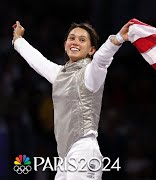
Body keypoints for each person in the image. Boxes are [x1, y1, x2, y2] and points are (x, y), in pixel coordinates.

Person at [12, 20, 133, 180]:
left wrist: (117, 39)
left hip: (84, 150)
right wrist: (18, 40)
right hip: (65, 156)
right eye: (72, 38)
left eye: (82, 40)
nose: (75, 42)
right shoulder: (60, 74)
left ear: (91, 50)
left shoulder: (92, 73)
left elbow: (102, 60)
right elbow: (38, 61)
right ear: (65, 44)